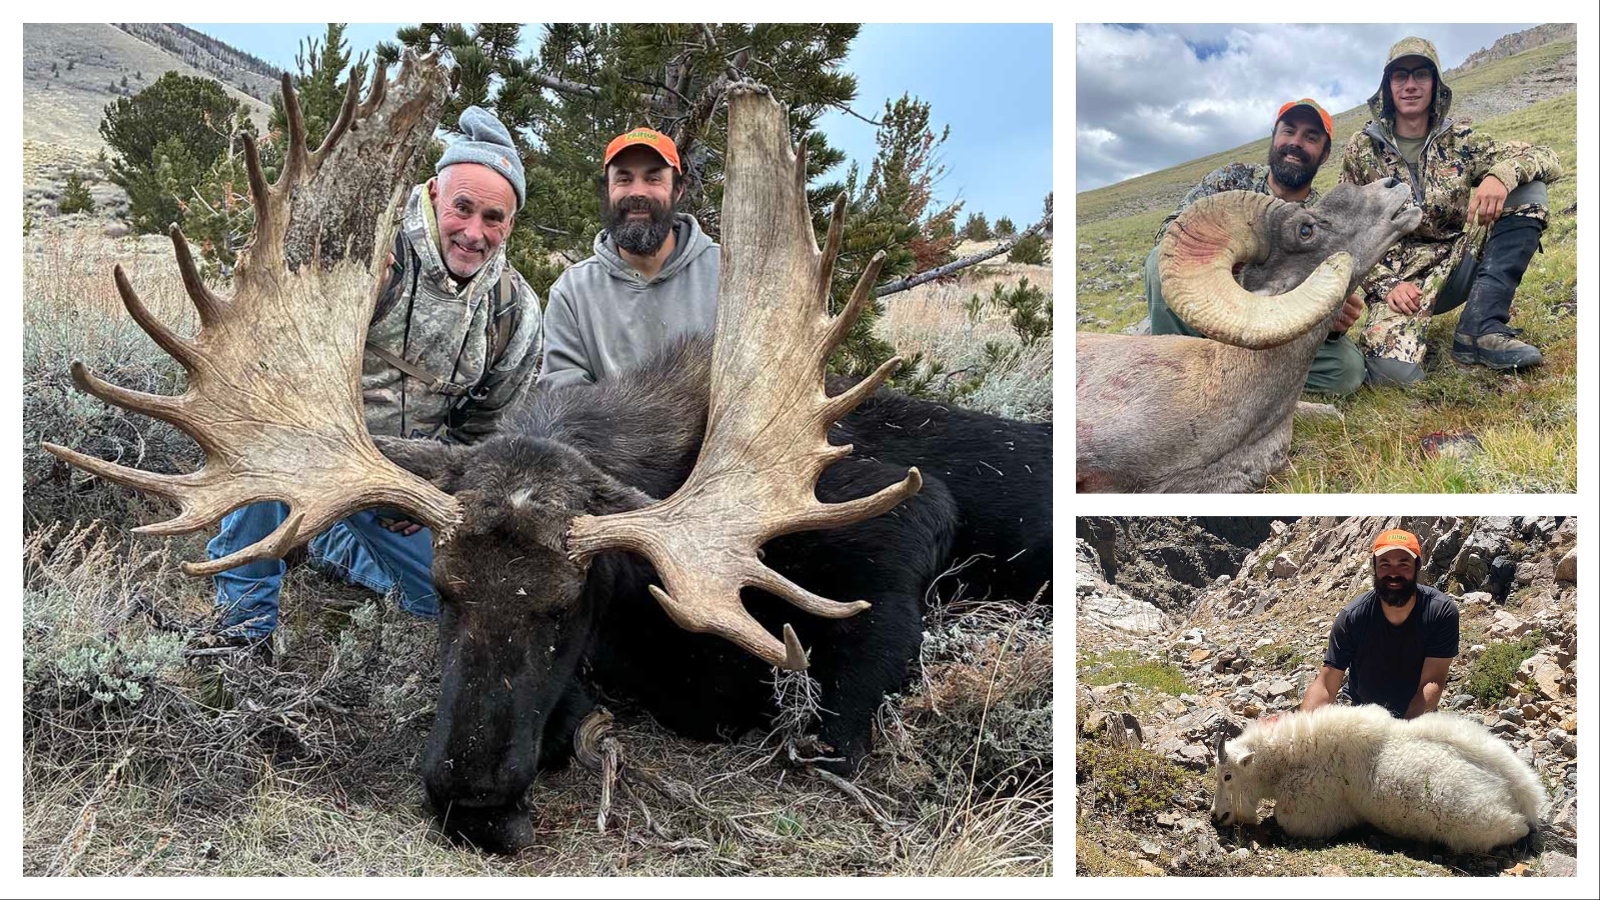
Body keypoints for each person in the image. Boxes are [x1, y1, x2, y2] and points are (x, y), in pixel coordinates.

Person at [207, 105, 544, 650]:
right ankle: (243, 629)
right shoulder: (367, 249)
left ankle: (334, 544)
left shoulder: (515, 311)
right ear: (435, 194)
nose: (474, 233)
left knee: (444, 605)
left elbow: (492, 427)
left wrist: (440, 486)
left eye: (494, 218)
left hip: (408, 479)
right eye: (463, 208)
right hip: (312, 445)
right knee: (264, 445)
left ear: (510, 223)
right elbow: (275, 365)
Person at [1340, 36, 1563, 385]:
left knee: (1529, 189)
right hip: (1402, 283)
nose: (1410, 85)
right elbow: (1347, 231)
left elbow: (1546, 157)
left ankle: (1480, 326)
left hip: (1458, 259)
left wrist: (1500, 176)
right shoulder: (1361, 149)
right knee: (1393, 377)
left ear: (1435, 85)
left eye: (1420, 75)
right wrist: (1386, 286)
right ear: (1387, 87)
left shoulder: (1459, 141)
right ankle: (1403, 340)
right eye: (1400, 76)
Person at [1146, 99, 1365, 396]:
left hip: (1268, 333)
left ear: (1325, 154)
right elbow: (1173, 231)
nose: (1295, 143)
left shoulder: (1320, 220)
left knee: (1346, 370)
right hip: (1209, 313)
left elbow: (1314, 305)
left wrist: (1334, 324)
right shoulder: (1233, 179)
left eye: (1311, 137)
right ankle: (1177, 377)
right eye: (1288, 131)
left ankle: (1235, 384)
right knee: (1161, 259)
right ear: (1274, 137)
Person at [538, 127, 720, 389]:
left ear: (678, 190)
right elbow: (563, 395)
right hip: (606, 431)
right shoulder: (573, 292)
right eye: (623, 179)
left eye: (653, 179)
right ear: (607, 191)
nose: (638, 192)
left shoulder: (726, 272)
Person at [1300, 527, 1460, 719]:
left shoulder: (1441, 612)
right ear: (1374, 567)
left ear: (1417, 566)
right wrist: (1303, 730)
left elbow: (1432, 681)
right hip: (1365, 721)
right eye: (1385, 564)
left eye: (1403, 564)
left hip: (1418, 719)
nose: (1393, 574)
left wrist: (1404, 732)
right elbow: (1326, 684)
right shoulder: (1352, 617)